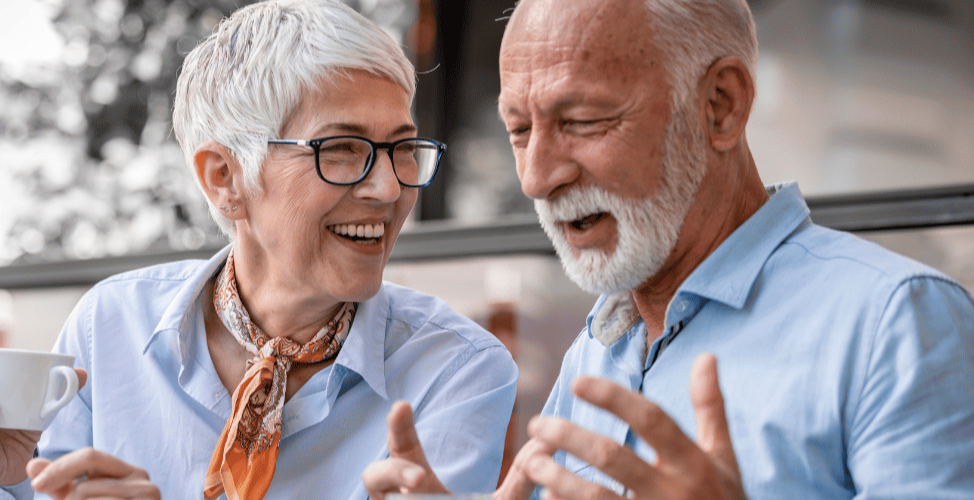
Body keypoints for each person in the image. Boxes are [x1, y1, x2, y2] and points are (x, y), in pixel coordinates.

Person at [363, 0, 974, 499]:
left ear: (721, 106)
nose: (537, 177)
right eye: (520, 131)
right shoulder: (596, 349)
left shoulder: (897, 323)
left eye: (582, 120)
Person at [0, 1, 517, 499]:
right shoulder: (109, 327)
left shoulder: (457, 371)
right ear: (224, 178)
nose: (390, 188)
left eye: (402, 148)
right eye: (342, 149)